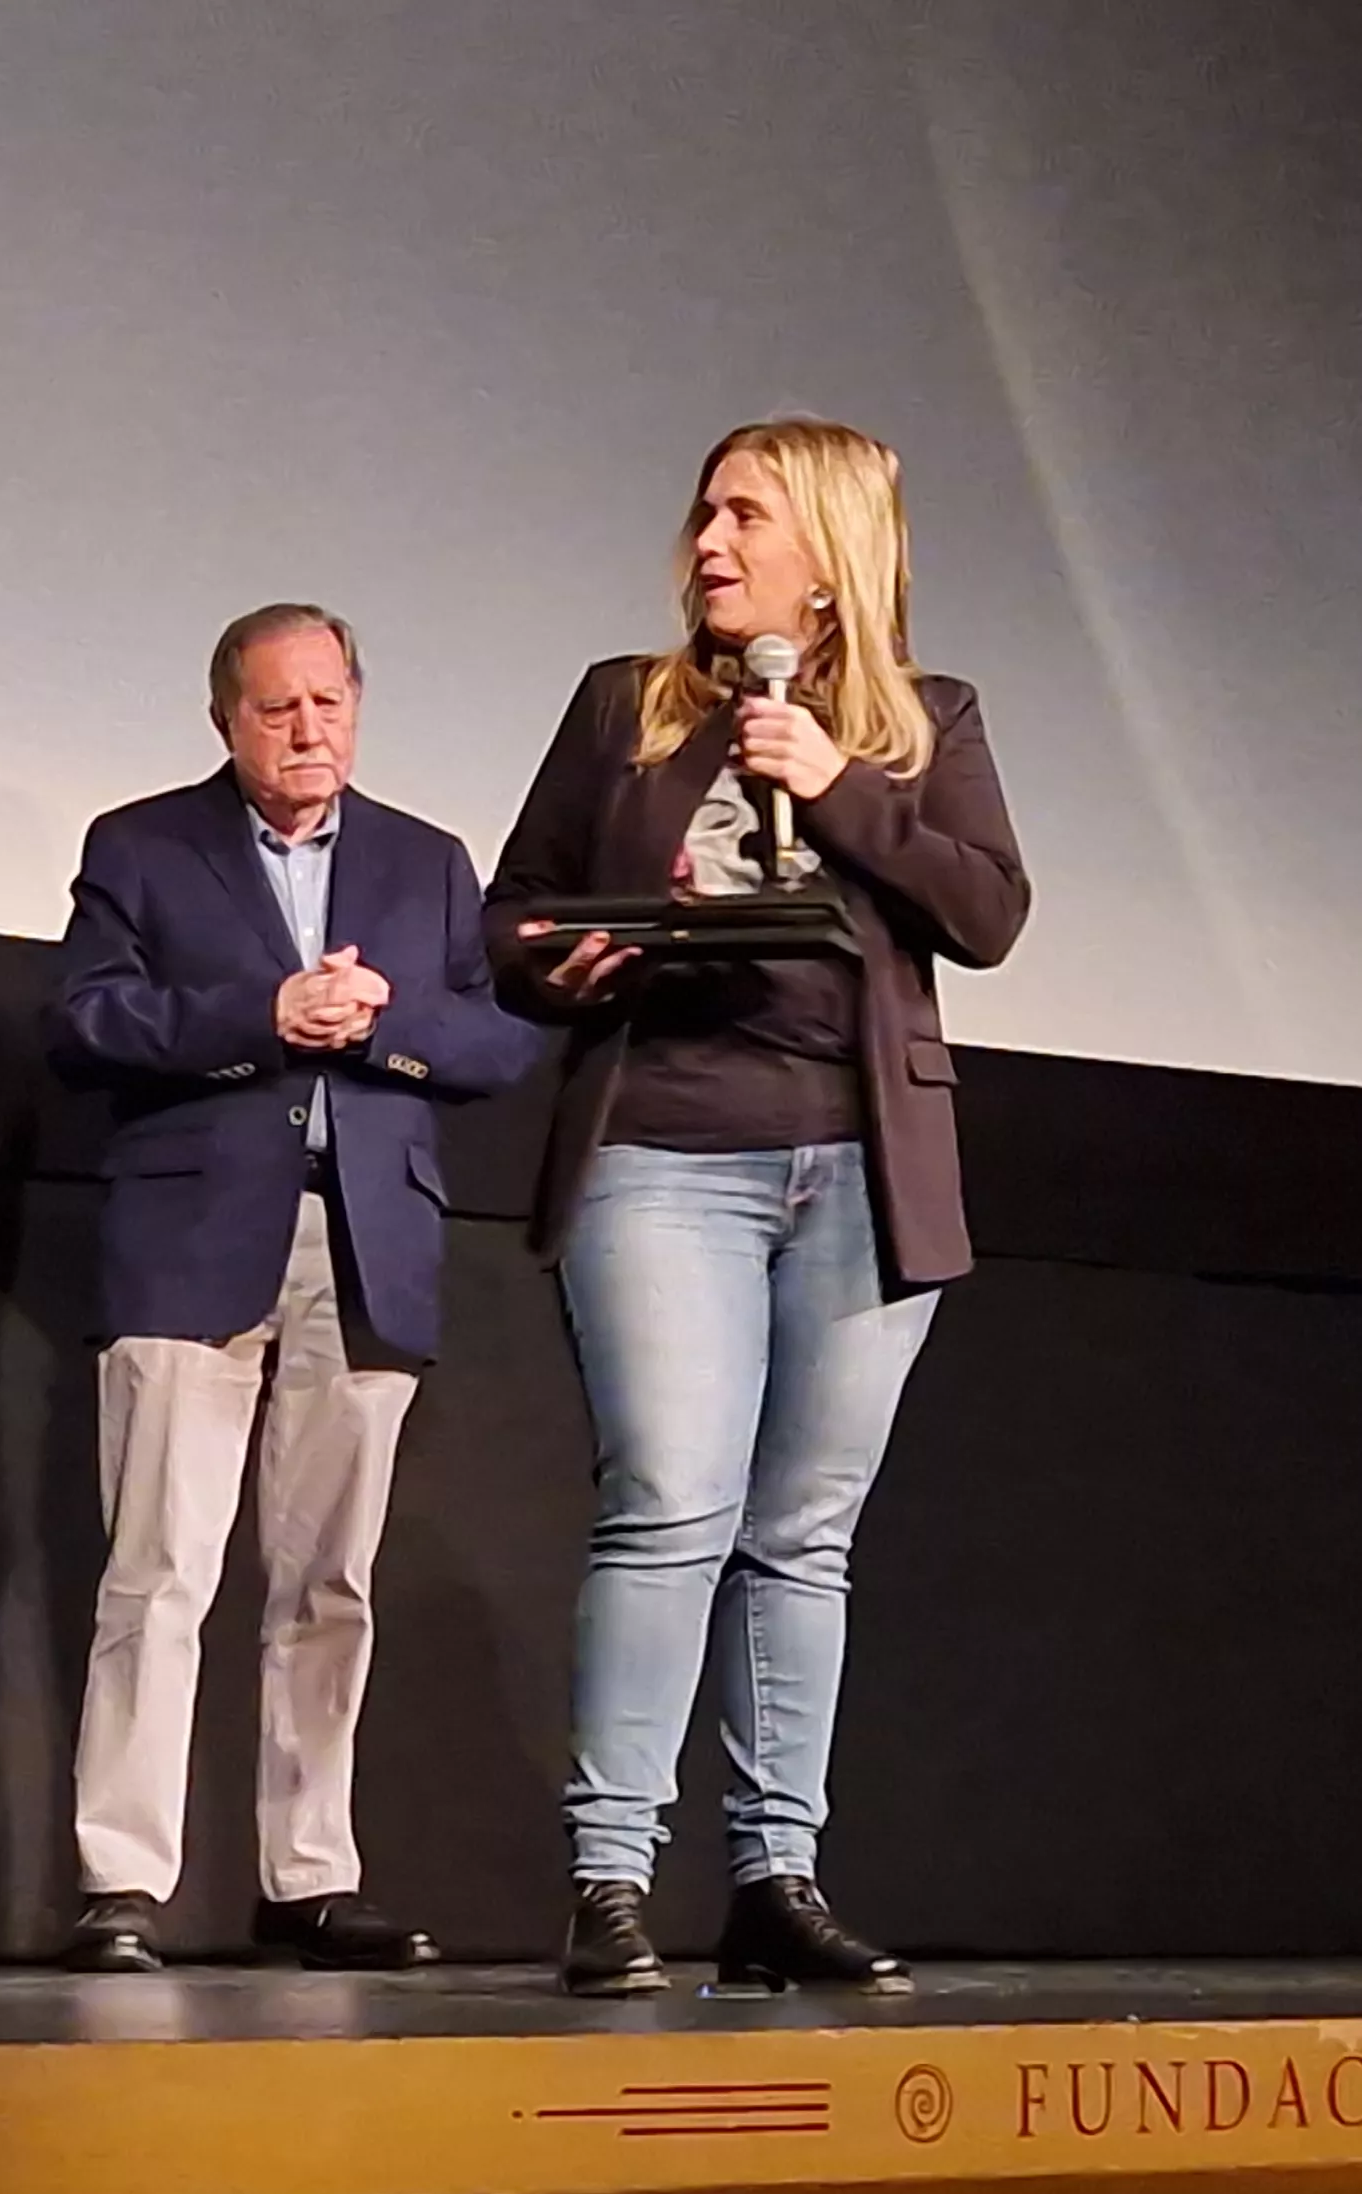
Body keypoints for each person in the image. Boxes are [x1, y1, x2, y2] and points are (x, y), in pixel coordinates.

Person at [483, 419, 1031, 1997]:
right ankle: (609, 1879)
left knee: (803, 1536)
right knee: (671, 1499)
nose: (709, 544)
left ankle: (776, 1878)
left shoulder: (924, 724)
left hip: (862, 1169)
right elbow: (513, 915)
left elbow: (988, 911)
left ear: (830, 556)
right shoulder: (629, 706)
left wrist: (836, 784)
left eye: (745, 518)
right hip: (664, 1152)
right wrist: (567, 961)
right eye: (705, 515)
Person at [43, 604, 539, 1973]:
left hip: (365, 1242)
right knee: (160, 1571)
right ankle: (123, 1881)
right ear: (227, 721)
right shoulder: (142, 847)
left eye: (329, 702)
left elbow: (495, 1043)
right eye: (278, 708)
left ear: (358, 707)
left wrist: (381, 1023)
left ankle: (310, 1877)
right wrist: (262, 1017)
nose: (309, 729)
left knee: (330, 1580)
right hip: (192, 1237)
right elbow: (85, 1021)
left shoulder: (427, 862)